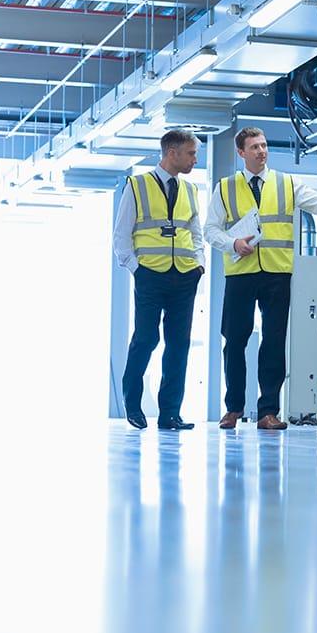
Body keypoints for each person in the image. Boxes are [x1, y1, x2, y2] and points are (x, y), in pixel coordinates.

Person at [205, 127, 317, 430]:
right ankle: (233, 409)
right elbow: (210, 229)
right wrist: (232, 244)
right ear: (241, 153)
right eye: (254, 147)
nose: (261, 151)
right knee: (234, 341)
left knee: (275, 341)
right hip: (240, 271)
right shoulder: (224, 188)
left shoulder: (286, 183)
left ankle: (268, 411)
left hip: (277, 272)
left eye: (264, 145)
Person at [113, 130, 205, 430]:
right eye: (190, 153)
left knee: (179, 344)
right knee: (146, 339)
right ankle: (133, 404)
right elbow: (121, 235)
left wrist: (199, 265)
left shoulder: (190, 190)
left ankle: (170, 414)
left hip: (184, 275)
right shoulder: (137, 185)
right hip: (150, 275)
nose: (195, 159)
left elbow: (195, 232)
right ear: (172, 153)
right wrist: (135, 268)